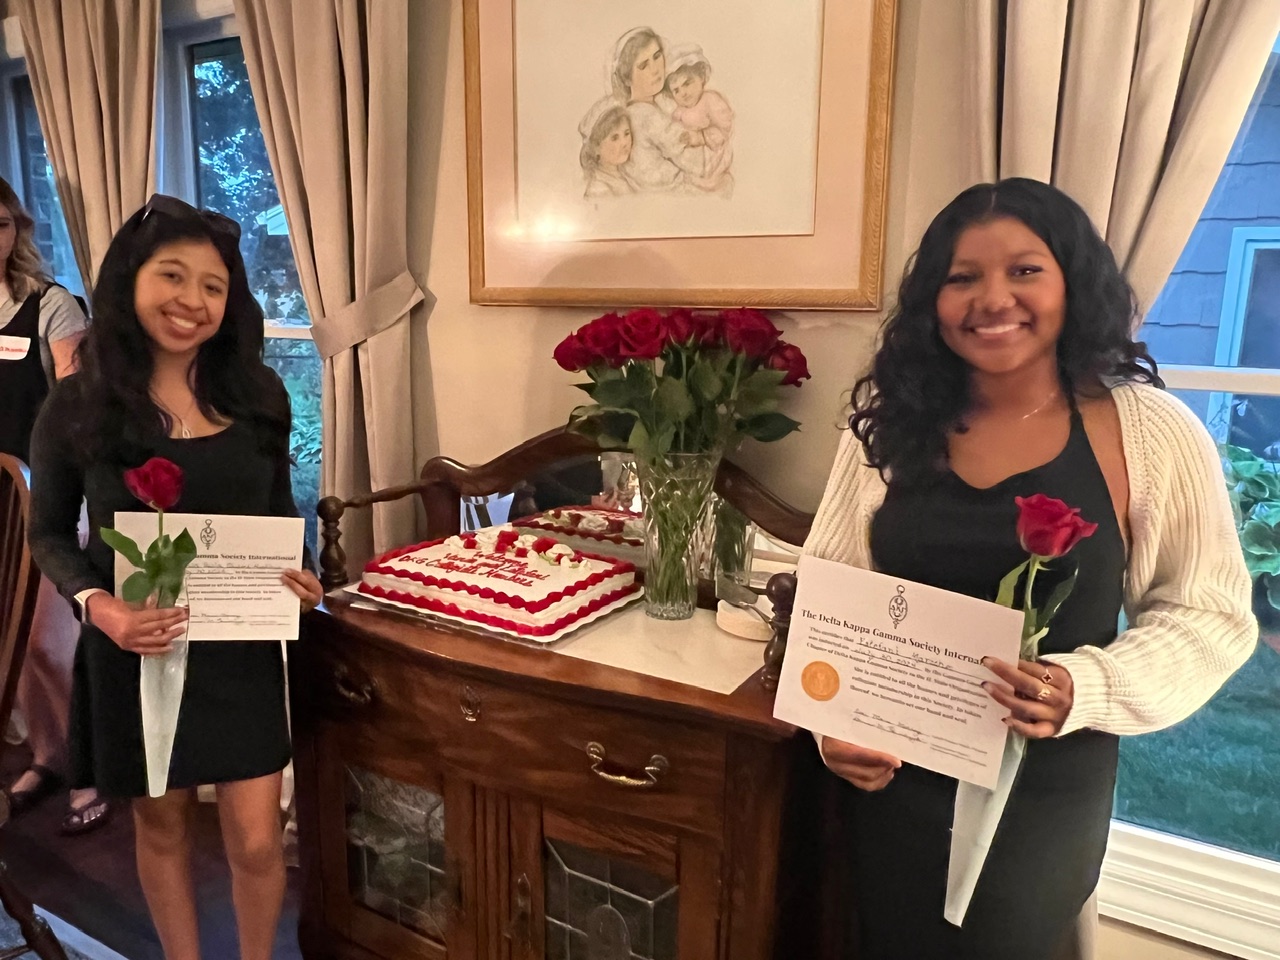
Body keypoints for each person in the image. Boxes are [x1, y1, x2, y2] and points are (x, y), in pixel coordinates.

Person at [803, 178, 1257, 959]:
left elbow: (1209, 614)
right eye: (963, 277)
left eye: (1024, 271)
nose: (992, 298)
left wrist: (1087, 686)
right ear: (933, 301)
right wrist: (830, 727)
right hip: (897, 779)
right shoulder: (888, 426)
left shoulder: (1150, 431)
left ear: (1072, 282)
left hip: (1045, 791)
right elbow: (831, 589)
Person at [28, 194, 324, 960]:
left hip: (238, 651)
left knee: (257, 839)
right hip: (135, 651)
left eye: (213, 286)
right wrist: (101, 608)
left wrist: (303, 572)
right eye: (173, 275)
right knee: (162, 829)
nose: (192, 300)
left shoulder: (259, 397)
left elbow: (276, 513)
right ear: (130, 279)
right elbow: (49, 534)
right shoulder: (78, 404)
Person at [0, 175, 110, 834]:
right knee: (10, 644)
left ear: (17, 230)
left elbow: (77, 405)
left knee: (45, 644)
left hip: (46, 498)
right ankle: (49, 757)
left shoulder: (51, 306)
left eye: (1, 223)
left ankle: (92, 767)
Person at [610, 27, 704, 193]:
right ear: (627, 78)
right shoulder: (644, 116)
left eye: (657, 56)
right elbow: (698, 164)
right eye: (643, 66)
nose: (655, 70)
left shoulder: (659, 102)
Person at [665, 44, 733, 195]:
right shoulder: (678, 112)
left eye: (687, 83)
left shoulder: (710, 100)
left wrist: (702, 137)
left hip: (713, 157)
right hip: (690, 161)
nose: (683, 93)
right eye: (676, 90)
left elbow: (725, 128)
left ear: (701, 77)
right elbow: (673, 132)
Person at [578, 97, 638, 198]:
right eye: (615, 138)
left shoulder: (624, 177)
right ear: (596, 147)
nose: (624, 143)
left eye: (627, 134)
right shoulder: (598, 190)